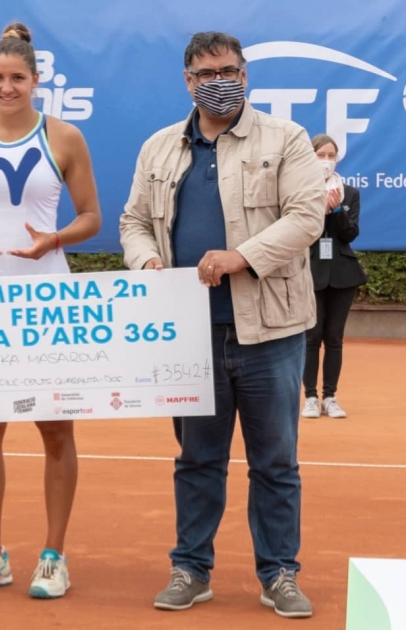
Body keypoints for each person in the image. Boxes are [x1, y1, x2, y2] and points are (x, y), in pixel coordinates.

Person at [119, 31, 324, 619]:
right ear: (188, 81)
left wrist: (241, 257)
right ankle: (190, 568)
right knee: (197, 460)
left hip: (272, 333)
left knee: (276, 462)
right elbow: (133, 221)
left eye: (230, 70)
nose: (220, 81)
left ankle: (279, 574)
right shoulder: (159, 149)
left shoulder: (286, 139)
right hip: (190, 335)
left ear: (246, 74)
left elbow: (307, 216)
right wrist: (147, 261)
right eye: (207, 73)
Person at [0, 22, 101, 599]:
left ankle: (53, 556)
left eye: (17, 79)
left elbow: (90, 218)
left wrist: (50, 241)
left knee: (56, 430)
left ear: (37, 79)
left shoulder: (64, 137)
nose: (6, 88)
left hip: (44, 300)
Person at [301, 134, 367, 419]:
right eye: (321, 155)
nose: (326, 161)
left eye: (331, 155)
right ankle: (311, 398)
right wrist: (320, 209)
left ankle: (330, 396)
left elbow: (350, 233)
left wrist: (338, 210)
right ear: (310, 157)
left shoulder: (349, 192)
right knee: (312, 337)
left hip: (343, 273)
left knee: (334, 338)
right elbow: (298, 231)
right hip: (310, 271)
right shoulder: (299, 190)